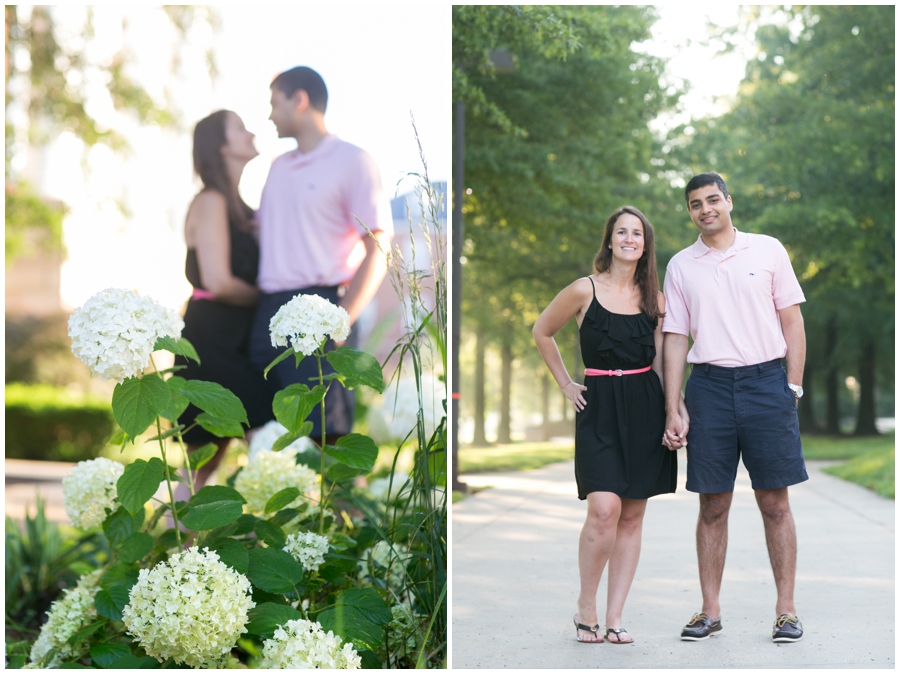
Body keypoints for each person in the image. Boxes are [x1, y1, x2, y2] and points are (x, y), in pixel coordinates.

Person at [662, 172, 807, 643]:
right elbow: (676, 338)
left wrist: (793, 387)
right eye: (695, 204)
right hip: (709, 388)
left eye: (712, 200)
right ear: (689, 212)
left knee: (774, 503)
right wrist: (673, 403)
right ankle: (709, 611)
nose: (705, 209)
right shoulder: (681, 265)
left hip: (768, 383)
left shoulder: (768, 249)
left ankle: (786, 611)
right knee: (712, 505)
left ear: (729, 201)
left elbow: (792, 321)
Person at [533, 206, 683, 644]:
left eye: (637, 233)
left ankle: (615, 617)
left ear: (645, 244)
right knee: (603, 510)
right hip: (598, 406)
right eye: (622, 231)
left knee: (632, 516)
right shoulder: (584, 290)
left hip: (644, 406)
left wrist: (674, 410)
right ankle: (586, 607)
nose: (629, 239)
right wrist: (565, 383)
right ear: (610, 239)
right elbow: (543, 331)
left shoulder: (656, 300)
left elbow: (662, 361)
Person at [248, 66, 392, 444]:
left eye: (274, 103)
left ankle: (345, 505)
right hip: (268, 313)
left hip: (322, 308)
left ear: (300, 100)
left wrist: (343, 318)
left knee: (329, 437)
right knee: (265, 433)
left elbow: (379, 245)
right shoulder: (277, 167)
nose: (269, 115)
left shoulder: (353, 161)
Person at [177, 110, 274, 488]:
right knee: (243, 444)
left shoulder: (241, 210)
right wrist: (268, 300)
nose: (250, 133)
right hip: (212, 340)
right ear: (220, 147)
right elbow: (219, 282)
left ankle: (182, 545)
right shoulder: (211, 201)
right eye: (239, 128)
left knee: (206, 463)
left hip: (236, 336)